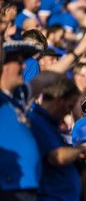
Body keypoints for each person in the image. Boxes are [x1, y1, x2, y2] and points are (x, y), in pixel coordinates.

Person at [28, 72, 86, 201]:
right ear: (59, 100)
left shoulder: (50, 124)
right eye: (70, 106)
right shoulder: (37, 122)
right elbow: (57, 156)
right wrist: (81, 150)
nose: (69, 111)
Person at [0, 40, 42, 201]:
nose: (24, 67)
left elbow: (47, 78)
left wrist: (76, 52)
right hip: (8, 188)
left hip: (27, 187)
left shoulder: (17, 98)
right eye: (19, 62)